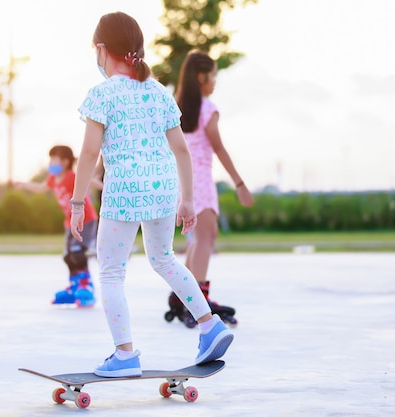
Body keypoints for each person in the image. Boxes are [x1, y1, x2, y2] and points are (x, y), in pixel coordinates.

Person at [69, 11, 233, 378]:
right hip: (162, 190)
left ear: (101, 49)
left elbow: (89, 154)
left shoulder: (102, 94)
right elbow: (181, 150)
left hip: (124, 192)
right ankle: (210, 326)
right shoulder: (158, 92)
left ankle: (125, 355)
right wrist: (187, 199)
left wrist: (78, 203)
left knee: (111, 273)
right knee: (164, 259)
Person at [170, 51, 254, 325]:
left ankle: (185, 295)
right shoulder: (207, 108)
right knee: (206, 238)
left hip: (182, 180)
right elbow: (218, 148)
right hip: (201, 181)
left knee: (199, 239)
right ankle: (198, 301)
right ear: (201, 76)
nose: (215, 82)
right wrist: (239, 183)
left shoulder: (176, 106)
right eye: (213, 76)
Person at [15, 145, 100, 307]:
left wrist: (103, 185)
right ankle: (74, 286)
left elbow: (88, 180)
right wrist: (24, 184)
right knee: (68, 255)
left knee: (77, 252)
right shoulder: (53, 179)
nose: (51, 163)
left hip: (85, 219)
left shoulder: (71, 176)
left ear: (66, 162)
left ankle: (86, 286)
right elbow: (40, 189)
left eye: (54, 159)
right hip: (69, 222)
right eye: (51, 159)